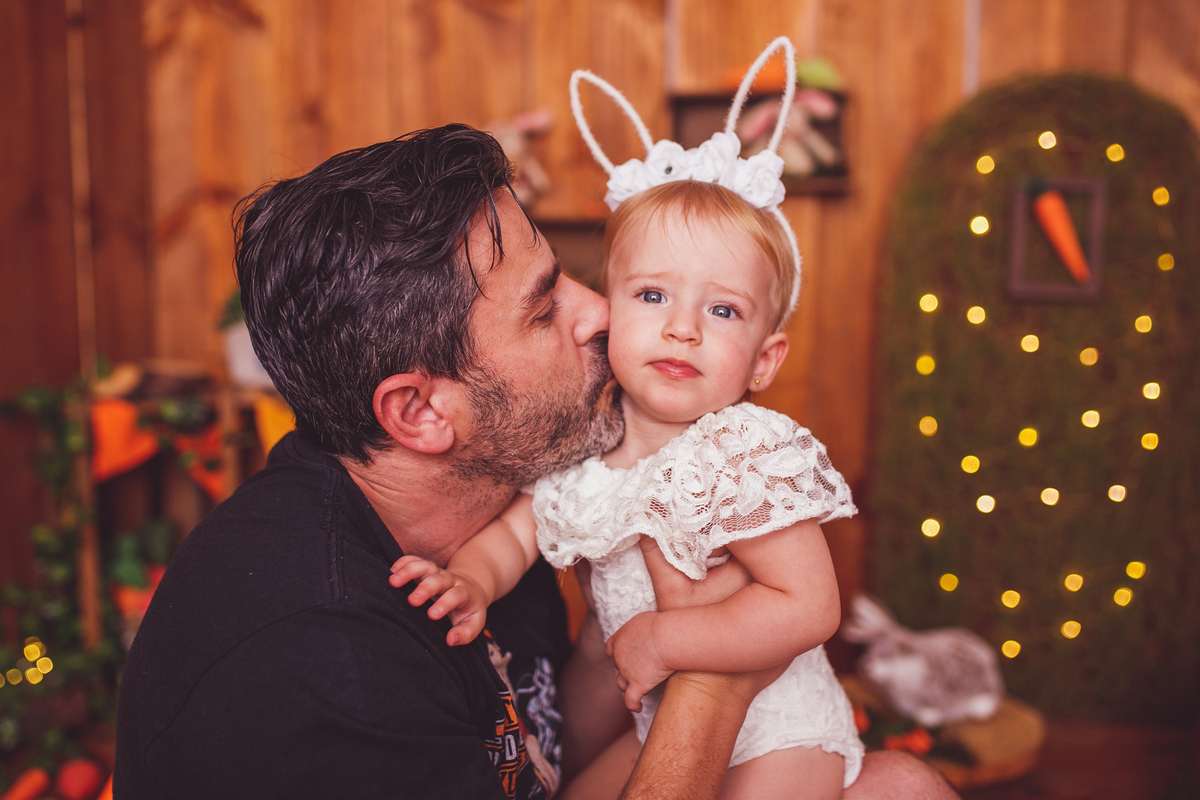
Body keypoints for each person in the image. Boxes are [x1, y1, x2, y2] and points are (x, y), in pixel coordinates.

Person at [113, 121, 959, 799]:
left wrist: (617, 640)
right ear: (419, 411)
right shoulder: (317, 670)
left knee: (901, 784)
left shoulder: (499, 493)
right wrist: (713, 683)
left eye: (572, 276)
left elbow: (541, 753)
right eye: (544, 306)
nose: (601, 312)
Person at [388, 41, 861, 800]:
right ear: (605, 306)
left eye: (722, 309)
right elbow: (518, 531)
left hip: (781, 732)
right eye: (651, 296)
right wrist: (472, 581)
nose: (682, 329)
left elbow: (810, 605)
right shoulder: (587, 446)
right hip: (658, 724)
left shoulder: (741, 452)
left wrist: (663, 637)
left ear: (765, 361)